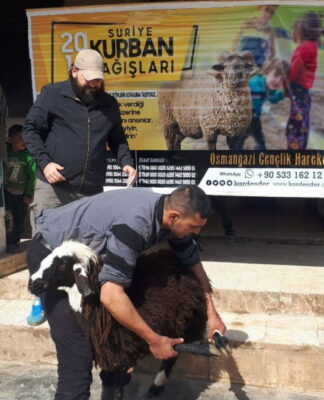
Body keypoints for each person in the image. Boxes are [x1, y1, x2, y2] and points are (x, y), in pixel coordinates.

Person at [27, 185, 226, 400]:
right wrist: (154, 340)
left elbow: (192, 262)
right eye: (194, 226)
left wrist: (211, 313)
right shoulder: (135, 224)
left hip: (91, 262)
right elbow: (111, 295)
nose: (197, 232)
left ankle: (113, 391)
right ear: (175, 217)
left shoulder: (168, 214)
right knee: (78, 355)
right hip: (57, 266)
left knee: (117, 337)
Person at [23, 48, 136, 325]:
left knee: (83, 248)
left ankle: (80, 299)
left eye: (98, 79)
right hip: (53, 187)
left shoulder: (108, 104)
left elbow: (118, 139)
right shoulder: (52, 94)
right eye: (89, 79)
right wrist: (46, 163)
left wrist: (126, 162)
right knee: (44, 244)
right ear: (74, 71)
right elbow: (30, 130)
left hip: (89, 191)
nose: (94, 84)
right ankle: (39, 297)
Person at [285, 12, 322, 150]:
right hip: (303, 93)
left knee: (296, 125)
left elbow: (294, 72)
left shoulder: (304, 48)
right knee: (301, 122)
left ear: (300, 29)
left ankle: (295, 151)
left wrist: (285, 83)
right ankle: (299, 148)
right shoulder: (311, 46)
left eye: (294, 29)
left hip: (298, 91)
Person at [237, 58, 289, 150]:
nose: (277, 81)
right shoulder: (253, 83)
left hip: (254, 117)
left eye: (282, 79)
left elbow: (273, 99)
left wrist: (282, 95)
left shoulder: (269, 88)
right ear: (266, 72)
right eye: (276, 75)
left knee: (258, 135)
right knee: (242, 135)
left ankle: (260, 148)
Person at [3, 124, 36, 253]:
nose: (24, 141)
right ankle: (8, 241)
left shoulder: (29, 156)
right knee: (8, 217)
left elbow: (33, 176)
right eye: (20, 138)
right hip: (7, 192)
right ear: (11, 139)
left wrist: (29, 193)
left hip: (22, 194)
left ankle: (15, 241)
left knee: (19, 219)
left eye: (25, 138)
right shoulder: (5, 152)